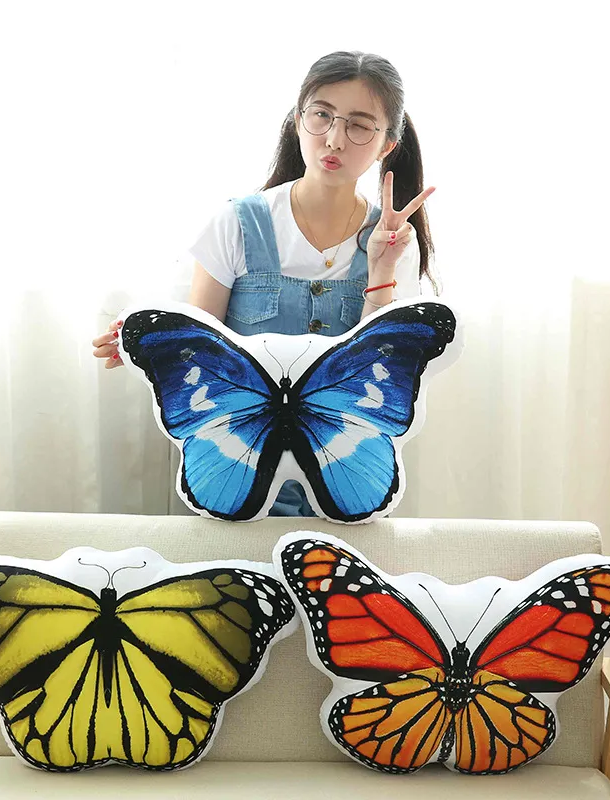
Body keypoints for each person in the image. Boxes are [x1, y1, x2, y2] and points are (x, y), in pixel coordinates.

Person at [92, 50, 441, 517]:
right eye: (322, 115)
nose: (334, 139)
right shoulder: (236, 223)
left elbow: (379, 371)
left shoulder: (395, 241)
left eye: (359, 125)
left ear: (386, 145)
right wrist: (143, 343)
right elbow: (203, 346)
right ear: (298, 121)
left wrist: (381, 267)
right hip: (240, 455)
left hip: (341, 462)